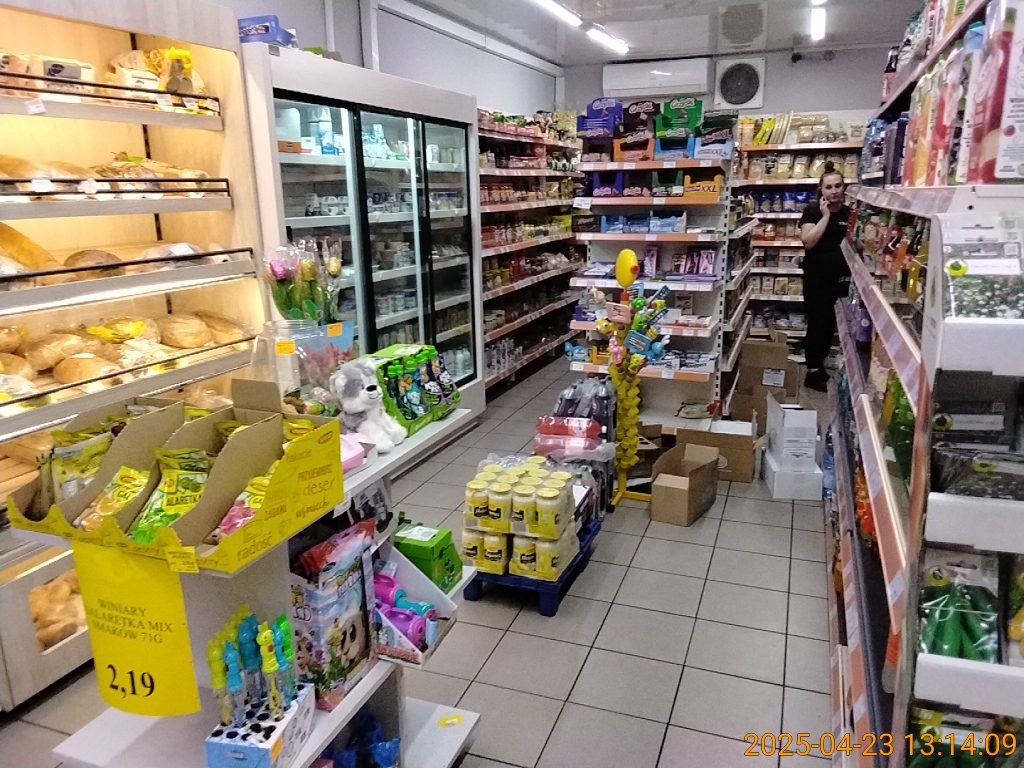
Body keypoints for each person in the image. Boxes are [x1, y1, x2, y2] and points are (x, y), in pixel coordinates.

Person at [799, 162, 851, 392]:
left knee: (830, 324)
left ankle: (820, 365)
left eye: (838, 186)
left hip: (841, 279)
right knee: (817, 322)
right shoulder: (812, 211)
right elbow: (808, 242)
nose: (834, 191)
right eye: (828, 187)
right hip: (816, 277)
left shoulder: (849, 214)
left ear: (844, 187)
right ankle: (812, 371)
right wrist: (826, 216)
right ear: (821, 189)